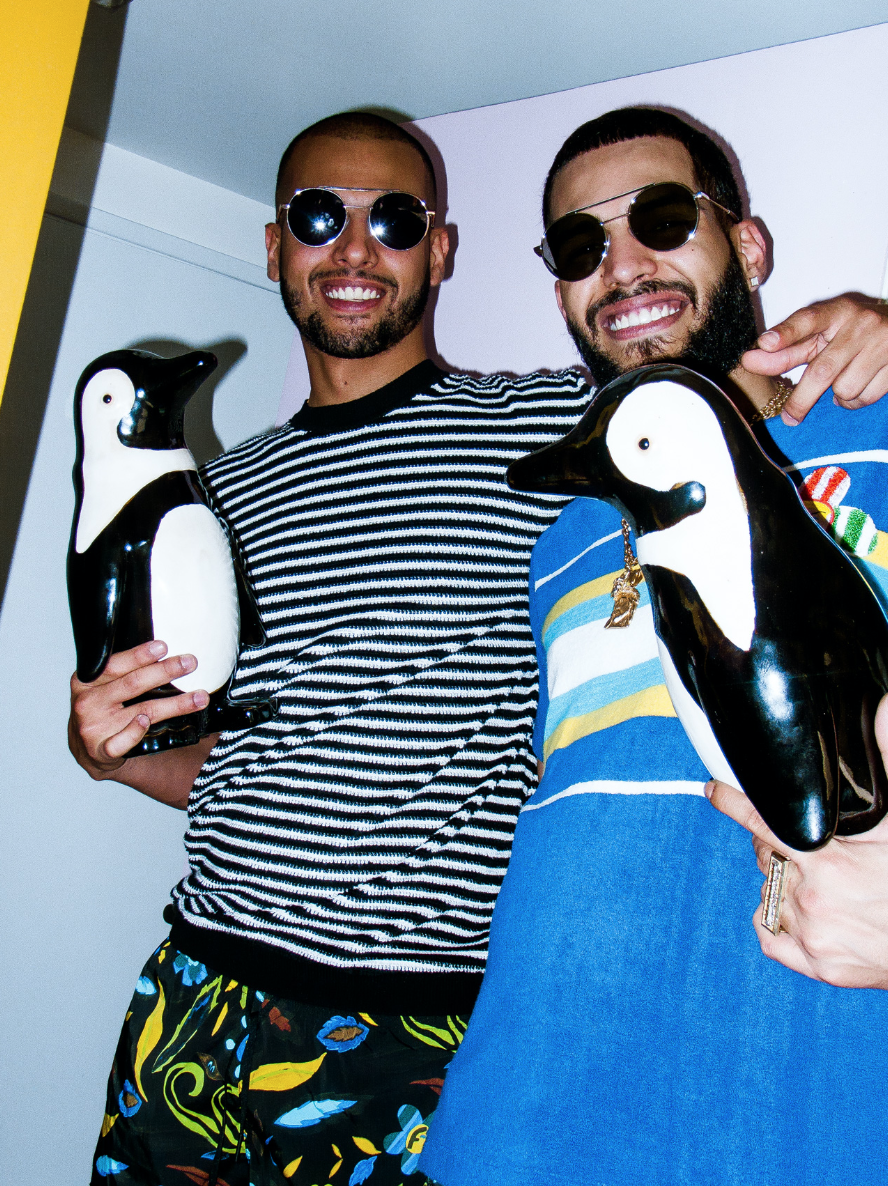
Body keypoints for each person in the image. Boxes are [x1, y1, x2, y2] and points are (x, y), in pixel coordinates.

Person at [71, 111, 888, 1186]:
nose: (354, 250)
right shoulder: (219, 492)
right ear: (274, 247)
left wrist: (872, 325)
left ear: (441, 249)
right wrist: (112, 750)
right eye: (317, 218)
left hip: (403, 1024)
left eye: (395, 220)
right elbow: (259, 756)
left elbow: (699, 386)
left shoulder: (546, 435)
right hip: (199, 980)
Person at [420, 107, 888, 1186]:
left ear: (749, 246)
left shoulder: (879, 431)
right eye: (579, 244)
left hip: (816, 1120)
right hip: (527, 1124)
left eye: (664, 218)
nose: (623, 264)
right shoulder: (564, 540)